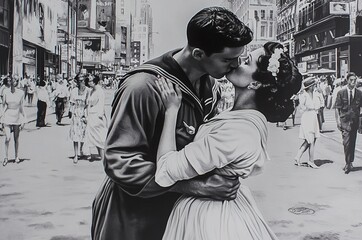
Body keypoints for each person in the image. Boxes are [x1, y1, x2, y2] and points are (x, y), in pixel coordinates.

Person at [91, 7, 253, 240]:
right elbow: (120, 161)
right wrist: (196, 186)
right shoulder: (143, 87)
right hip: (133, 219)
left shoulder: (209, 85)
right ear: (198, 54)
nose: (236, 65)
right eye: (228, 59)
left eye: (239, 58)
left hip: (176, 215)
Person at [155, 41, 301, 240]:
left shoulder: (238, 131)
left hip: (209, 219)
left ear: (256, 83)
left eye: (246, 62)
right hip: (219, 207)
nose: (235, 63)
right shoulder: (240, 118)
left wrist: (171, 111)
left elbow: (165, 170)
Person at [334, 72, 362, 174]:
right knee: (346, 142)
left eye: (354, 80)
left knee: (352, 142)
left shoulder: (360, 93)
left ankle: (350, 161)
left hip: (355, 121)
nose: (353, 82)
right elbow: (337, 108)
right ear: (347, 80)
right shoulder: (341, 93)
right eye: (351, 80)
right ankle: (347, 162)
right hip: (344, 121)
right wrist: (337, 121)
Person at [294, 77, 320, 169]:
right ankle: (311, 161)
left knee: (311, 140)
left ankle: (297, 157)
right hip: (307, 117)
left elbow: (319, 105)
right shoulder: (304, 95)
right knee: (311, 140)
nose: (314, 86)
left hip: (313, 117)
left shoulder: (316, 94)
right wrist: (307, 108)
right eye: (313, 85)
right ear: (310, 86)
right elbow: (302, 108)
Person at [1, 74, 26, 166]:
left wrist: (24, 119)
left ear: (17, 82)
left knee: (16, 138)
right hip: (8, 115)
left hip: (17, 116)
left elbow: (21, 106)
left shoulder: (21, 93)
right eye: (12, 80)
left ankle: (16, 156)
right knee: (7, 137)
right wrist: (1, 116)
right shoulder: (5, 92)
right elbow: (3, 105)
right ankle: (6, 157)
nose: (13, 82)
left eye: (15, 80)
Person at [85, 74, 107, 161]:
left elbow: (101, 104)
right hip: (91, 115)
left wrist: (100, 116)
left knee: (99, 136)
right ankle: (101, 155)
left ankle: (103, 157)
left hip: (97, 116)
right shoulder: (91, 91)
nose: (89, 82)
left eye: (91, 80)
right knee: (93, 136)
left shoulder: (100, 91)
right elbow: (88, 103)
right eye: (89, 80)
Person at [69, 74, 89, 164]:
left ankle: (81, 149)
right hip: (76, 114)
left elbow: (88, 104)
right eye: (80, 81)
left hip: (84, 114)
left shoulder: (88, 91)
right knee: (75, 135)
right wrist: (71, 112)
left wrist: (86, 115)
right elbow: (72, 103)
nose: (82, 82)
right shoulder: (74, 91)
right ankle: (76, 154)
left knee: (83, 134)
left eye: (84, 80)